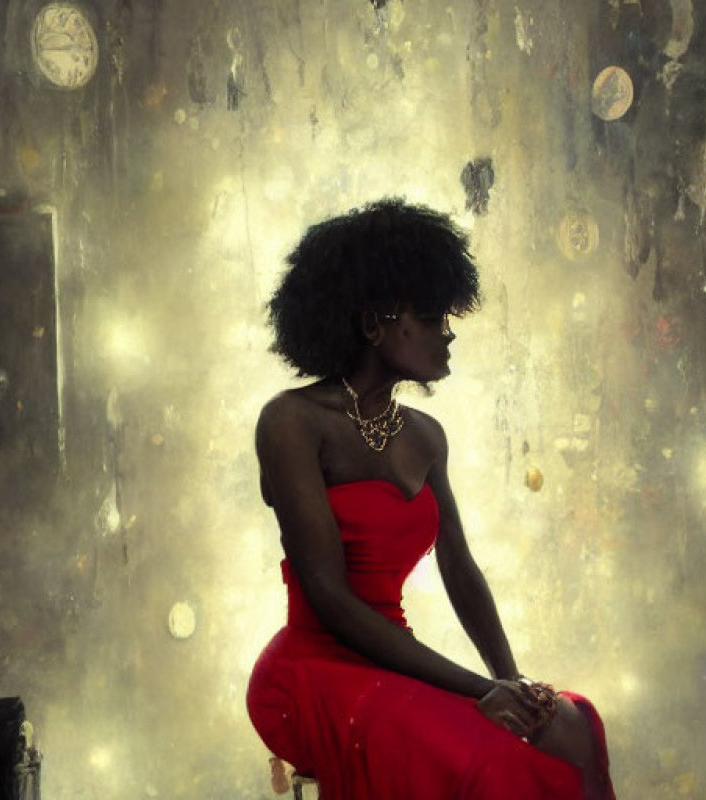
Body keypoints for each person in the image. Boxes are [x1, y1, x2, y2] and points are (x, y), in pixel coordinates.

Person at [245, 199, 614, 800]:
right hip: (311, 675)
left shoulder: (425, 435)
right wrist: (477, 691)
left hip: (397, 662)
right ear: (374, 325)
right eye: (433, 316)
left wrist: (509, 680)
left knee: (573, 729)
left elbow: (461, 570)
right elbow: (330, 599)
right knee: (493, 766)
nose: (448, 332)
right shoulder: (291, 421)